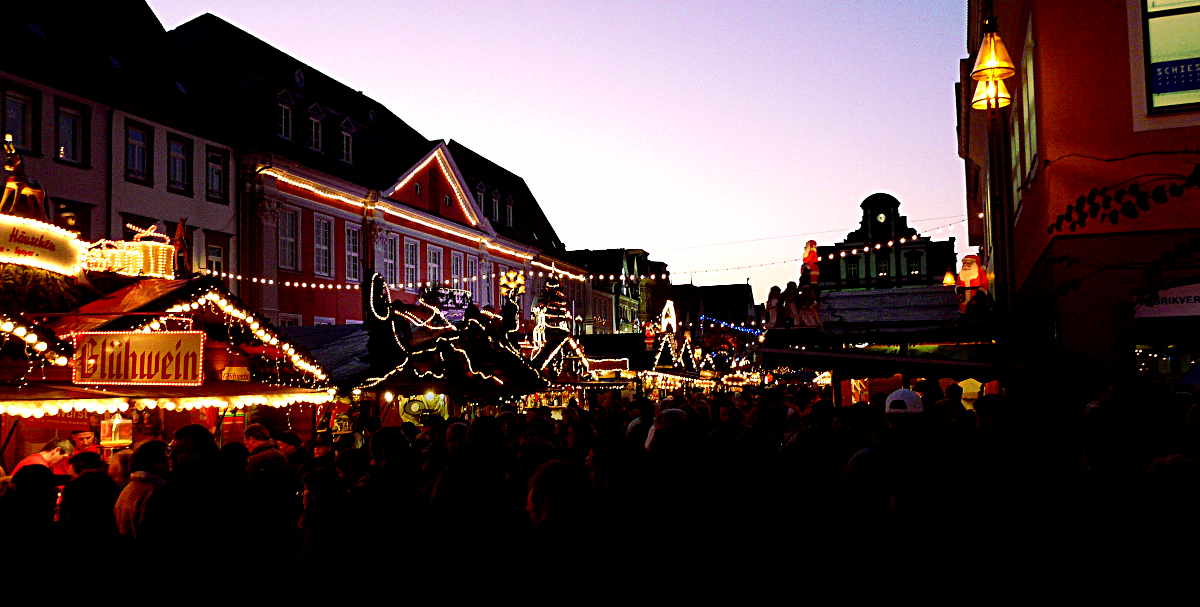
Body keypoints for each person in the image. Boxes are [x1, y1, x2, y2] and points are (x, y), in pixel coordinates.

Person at [114, 440, 169, 540]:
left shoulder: (130, 488)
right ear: (155, 462)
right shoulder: (154, 491)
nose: (171, 463)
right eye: (167, 458)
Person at [60, 451, 119, 543]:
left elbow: (66, 515)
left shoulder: (74, 486)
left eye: (70, 466)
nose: (68, 471)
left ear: (77, 466)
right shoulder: (112, 482)